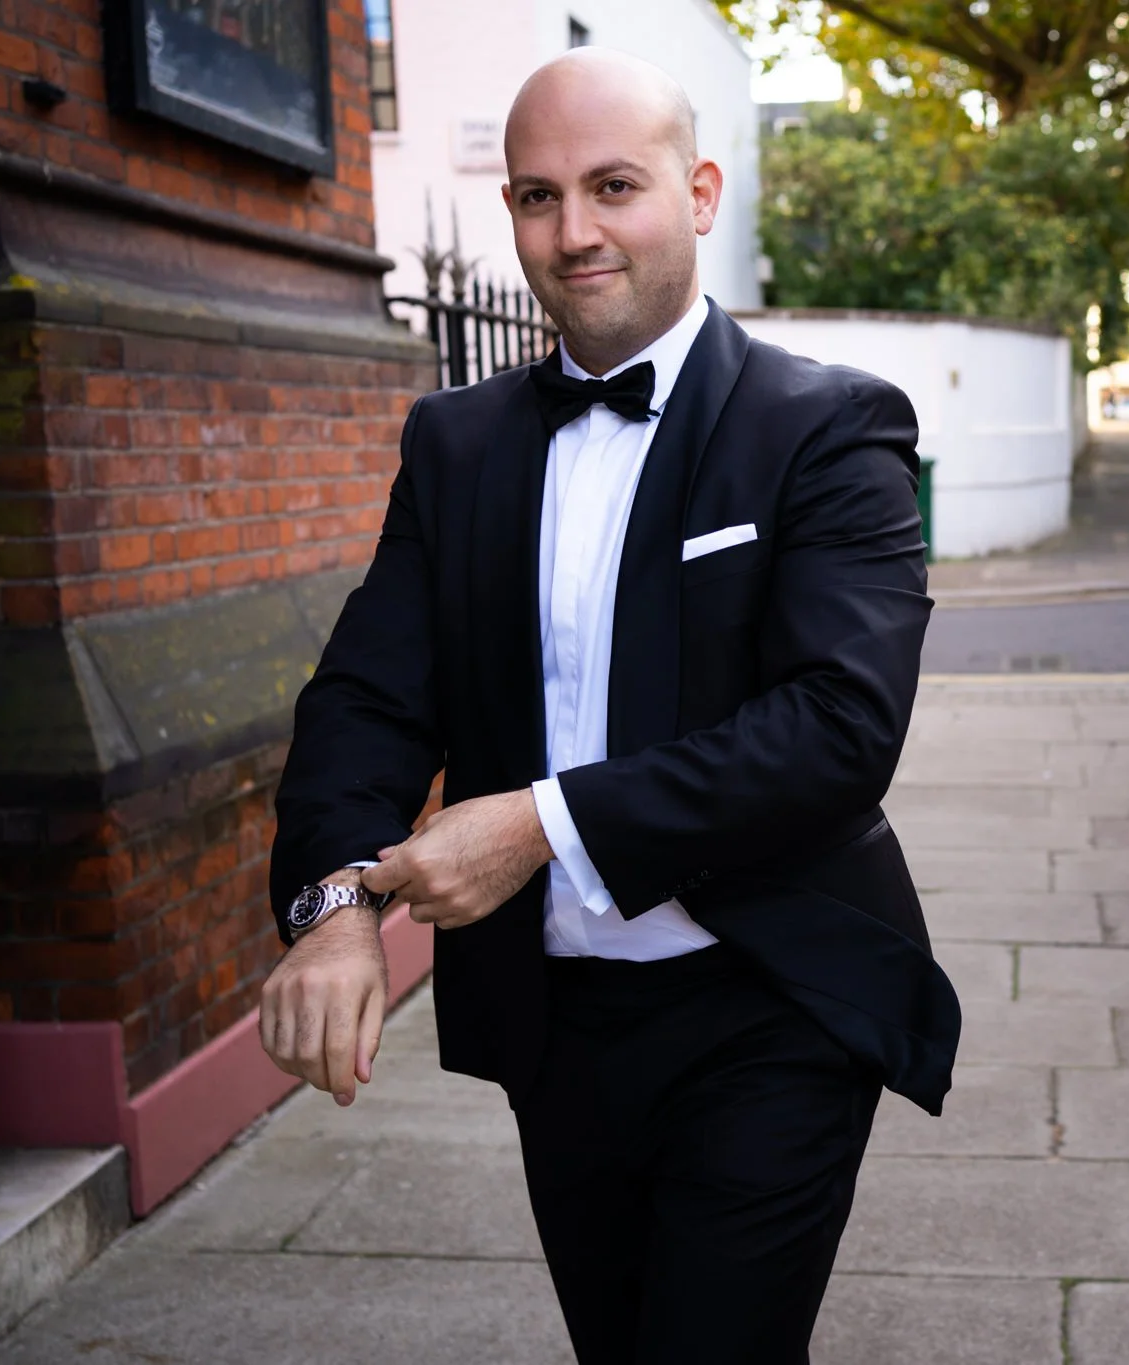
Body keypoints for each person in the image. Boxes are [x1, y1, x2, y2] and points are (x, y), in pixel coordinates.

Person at [258, 50, 958, 1363]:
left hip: (770, 1001)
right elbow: (366, 701)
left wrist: (534, 823)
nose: (573, 231)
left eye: (614, 187)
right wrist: (335, 907)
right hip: (556, 1025)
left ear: (699, 193)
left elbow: (839, 726)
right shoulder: (454, 445)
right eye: (539, 196)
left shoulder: (827, 426)